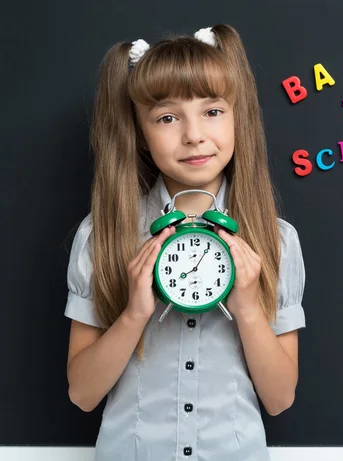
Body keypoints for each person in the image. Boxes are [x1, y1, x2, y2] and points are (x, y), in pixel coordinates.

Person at [64, 24, 306, 461]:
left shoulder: (277, 241)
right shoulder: (102, 235)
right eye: (167, 118)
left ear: (238, 116)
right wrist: (135, 313)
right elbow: (82, 394)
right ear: (140, 132)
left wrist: (248, 307)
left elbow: (280, 399)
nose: (193, 134)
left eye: (212, 111)